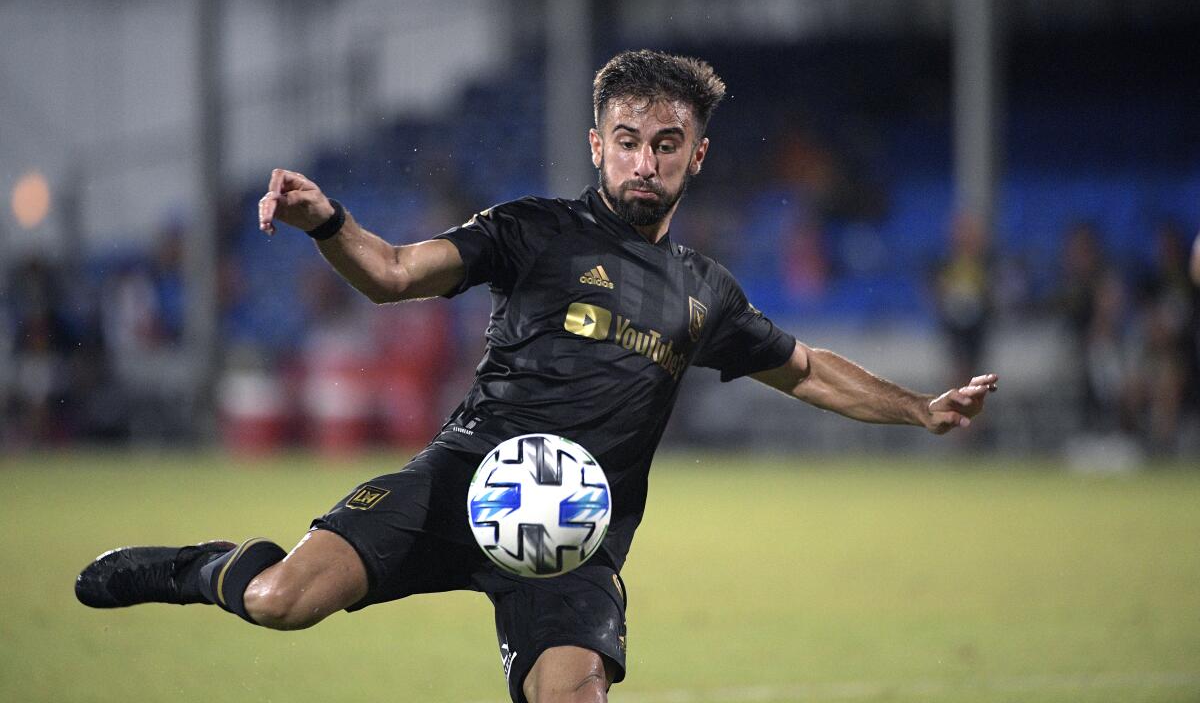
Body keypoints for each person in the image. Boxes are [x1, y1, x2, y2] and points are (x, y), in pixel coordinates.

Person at [76, 50, 998, 703]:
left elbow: (807, 371)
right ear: (596, 144)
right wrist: (329, 223)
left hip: (574, 544)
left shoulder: (704, 293)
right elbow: (395, 275)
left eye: (667, 144)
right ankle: (193, 570)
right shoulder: (531, 230)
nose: (646, 161)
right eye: (628, 139)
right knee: (282, 602)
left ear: (696, 155)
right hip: (459, 480)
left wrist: (919, 408)